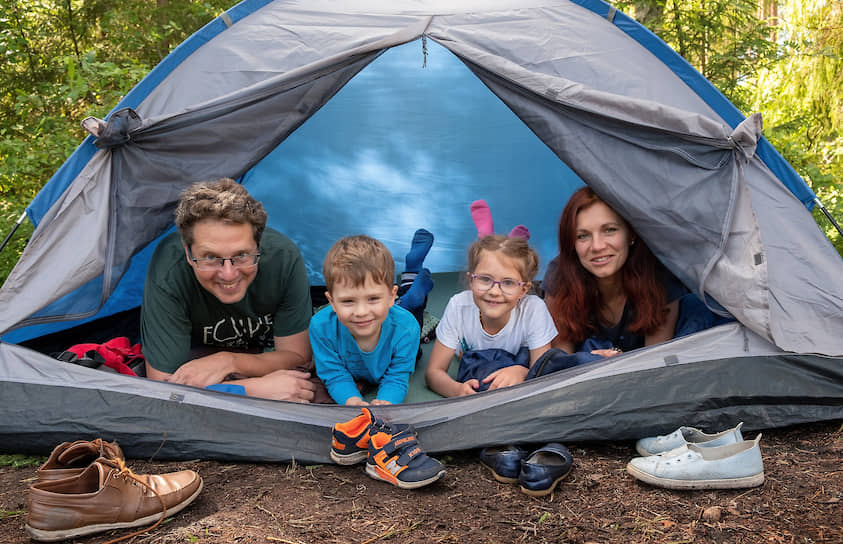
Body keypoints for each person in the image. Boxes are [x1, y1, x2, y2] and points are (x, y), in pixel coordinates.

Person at [141, 178, 317, 402]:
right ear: (188, 254)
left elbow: (297, 356)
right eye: (211, 258)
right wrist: (251, 389)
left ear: (259, 245)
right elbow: (164, 388)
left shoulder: (283, 258)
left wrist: (228, 361)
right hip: (198, 355)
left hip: (258, 354)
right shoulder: (170, 270)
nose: (228, 274)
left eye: (242, 255)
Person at [544, 186, 682, 357]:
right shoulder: (560, 275)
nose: (597, 246)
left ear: (631, 234)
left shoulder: (658, 274)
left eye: (609, 230)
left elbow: (657, 362)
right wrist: (586, 363)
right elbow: (560, 365)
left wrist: (617, 364)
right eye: (583, 236)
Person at [425, 235, 557, 397]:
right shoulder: (459, 306)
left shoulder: (534, 309)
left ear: (523, 290)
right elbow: (434, 373)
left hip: (517, 362)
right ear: (471, 281)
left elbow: (542, 372)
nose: (494, 292)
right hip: (473, 359)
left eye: (508, 282)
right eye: (485, 279)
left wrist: (522, 372)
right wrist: (457, 391)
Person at [310, 235, 421, 406]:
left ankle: (412, 282)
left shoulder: (406, 328)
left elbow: (397, 375)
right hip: (388, 316)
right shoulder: (321, 327)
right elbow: (334, 373)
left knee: (415, 319)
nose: (361, 312)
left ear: (391, 296)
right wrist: (352, 401)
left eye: (373, 298)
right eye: (348, 301)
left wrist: (385, 403)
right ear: (331, 301)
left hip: (400, 321)